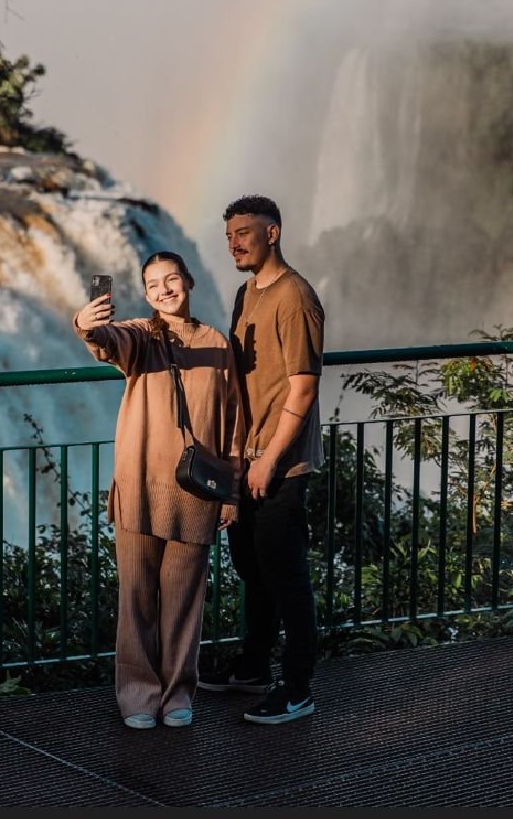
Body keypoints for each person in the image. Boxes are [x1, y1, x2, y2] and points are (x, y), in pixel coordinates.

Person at [73, 251, 243, 730]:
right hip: (141, 485)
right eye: (153, 285)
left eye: (171, 279)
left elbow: (233, 421)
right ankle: (138, 695)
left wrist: (231, 491)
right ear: (146, 295)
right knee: (138, 598)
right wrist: (86, 325)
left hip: (197, 490)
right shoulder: (141, 337)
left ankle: (177, 694)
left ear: (188, 281)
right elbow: (107, 342)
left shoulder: (216, 342)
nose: (164, 289)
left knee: (185, 598)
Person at [198, 194, 324, 725]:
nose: (234, 243)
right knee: (252, 569)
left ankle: (297, 688)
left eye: (244, 232)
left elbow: (302, 388)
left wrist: (270, 459)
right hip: (246, 459)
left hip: (280, 463)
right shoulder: (246, 293)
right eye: (229, 235)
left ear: (273, 233)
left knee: (286, 576)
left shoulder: (295, 298)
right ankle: (253, 666)